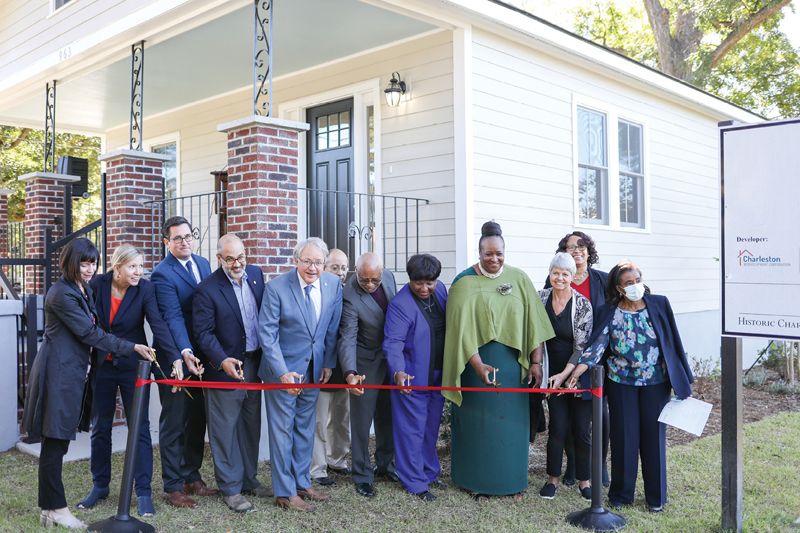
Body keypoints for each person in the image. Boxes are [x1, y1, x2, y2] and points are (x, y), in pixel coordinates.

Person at [21, 238, 153, 529]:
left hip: (71, 374)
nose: (90, 268)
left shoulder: (80, 290)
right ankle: (56, 508)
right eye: (84, 262)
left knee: (58, 442)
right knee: (54, 442)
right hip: (58, 374)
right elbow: (91, 333)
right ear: (70, 262)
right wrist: (131, 347)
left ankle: (49, 509)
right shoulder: (62, 294)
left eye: (93, 262)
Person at [568, 261, 694, 512]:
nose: (636, 285)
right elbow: (597, 347)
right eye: (629, 283)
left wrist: (684, 377)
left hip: (655, 383)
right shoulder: (609, 311)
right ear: (618, 287)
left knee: (653, 439)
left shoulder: (659, 303)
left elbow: (673, 342)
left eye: (638, 280)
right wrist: (576, 372)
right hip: (621, 383)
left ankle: (655, 498)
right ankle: (621, 496)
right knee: (624, 438)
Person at [443, 221, 554, 498]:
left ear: (505, 252)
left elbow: (535, 324)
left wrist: (536, 362)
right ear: (479, 253)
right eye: (488, 254)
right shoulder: (463, 282)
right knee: (478, 427)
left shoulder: (519, 279)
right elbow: (460, 332)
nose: (494, 259)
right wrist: (478, 364)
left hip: (512, 369)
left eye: (499, 254)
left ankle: (511, 479)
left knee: (510, 429)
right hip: (474, 368)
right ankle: (473, 479)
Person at [77, 245, 181, 517]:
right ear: (117, 267)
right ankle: (100, 486)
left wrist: (175, 358)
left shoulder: (144, 289)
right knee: (101, 426)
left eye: (141, 266)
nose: (138, 272)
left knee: (140, 428)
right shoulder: (97, 285)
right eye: (133, 266)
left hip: (135, 367)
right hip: (103, 365)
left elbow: (157, 323)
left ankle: (143, 492)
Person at [258, 237, 356, 512]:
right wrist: (281, 373)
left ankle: (302, 482)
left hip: (314, 371)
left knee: (305, 428)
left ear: (325, 264)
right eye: (307, 261)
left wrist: (327, 362)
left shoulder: (333, 284)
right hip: (283, 374)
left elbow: (331, 327)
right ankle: (285, 493)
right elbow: (267, 334)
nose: (312, 268)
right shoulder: (277, 288)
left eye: (318, 262)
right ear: (296, 260)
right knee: (282, 432)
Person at [192, 234, 270, 513]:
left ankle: (249, 478)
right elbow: (203, 333)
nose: (237, 264)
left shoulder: (257, 275)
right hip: (224, 367)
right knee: (224, 430)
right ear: (219, 259)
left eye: (241, 257)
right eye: (230, 259)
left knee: (251, 424)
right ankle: (231, 488)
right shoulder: (207, 289)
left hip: (254, 364)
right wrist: (222, 359)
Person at [151, 216, 216, 508]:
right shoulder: (162, 274)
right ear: (167, 242)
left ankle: (192, 475)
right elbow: (173, 316)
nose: (184, 241)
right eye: (177, 238)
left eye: (188, 236)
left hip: (202, 356)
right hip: (173, 356)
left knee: (198, 417)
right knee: (175, 420)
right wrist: (185, 351)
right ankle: (173, 485)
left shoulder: (203, 264)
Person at [541, 230, 610, 487]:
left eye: (582, 246)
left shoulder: (597, 285)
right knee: (560, 425)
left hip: (588, 363)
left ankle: (592, 473)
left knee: (591, 423)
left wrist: (572, 374)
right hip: (556, 365)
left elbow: (587, 340)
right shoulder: (546, 292)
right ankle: (562, 474)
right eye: (572, 247)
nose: (577, 250)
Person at [384, 254, 447, 501]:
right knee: (411, 430)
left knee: (430, 427)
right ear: (410, 280)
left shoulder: (441, 290)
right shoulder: (400, 305)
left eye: (429, 283)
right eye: (418, 283)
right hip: (410, 378)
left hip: (438, 375)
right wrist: (398, 372)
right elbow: (393, 343)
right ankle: (414, 482)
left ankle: (429, 472)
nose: (424, 288)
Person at [339, 252, 398, 498]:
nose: (371, 285)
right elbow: (348, 337)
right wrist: (351, 372)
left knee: (389, 414)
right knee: (362, 421)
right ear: (356, 271)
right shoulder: (350, 294)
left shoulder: (390, 277)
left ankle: (386, 464)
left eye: (375, 280)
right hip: (365, 359)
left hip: (391, 357)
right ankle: (362, 474)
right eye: (365, 280)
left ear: (382, 272)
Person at [536, 252, 593, 501]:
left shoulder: (582, 305)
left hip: (576, 373)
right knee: (557, 426)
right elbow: (534, 333)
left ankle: (584, 481)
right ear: (550, 274)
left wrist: (566, 375)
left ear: (572, 277)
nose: (560, 278)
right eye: (555, 273)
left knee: (581, 429)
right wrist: (547, 372)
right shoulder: (541, 298)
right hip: (551, 374)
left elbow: (582, 347)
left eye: (565, 274)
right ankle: (552, 480)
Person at [310, 249, 352, 487]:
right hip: (322, 365)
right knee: (319, 420)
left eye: (344, 267)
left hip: (343, 367)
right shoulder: (319, 291)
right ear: (325, 267)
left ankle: (337, 459)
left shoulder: (348, 291)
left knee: (341, 417)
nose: (340, 272)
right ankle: (317, 468)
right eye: (335, 267)